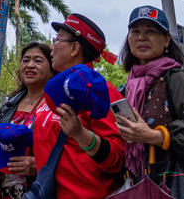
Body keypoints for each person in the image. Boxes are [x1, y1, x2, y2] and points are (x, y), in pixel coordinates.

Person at [115, 5, 184, 182]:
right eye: (135, 31)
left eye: (150, 31)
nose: (141, 37)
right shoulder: (129, 86)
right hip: (139, 181)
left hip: (175, 182)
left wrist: (156, 137)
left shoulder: (178, 79)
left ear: (166, 40)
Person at [23, 13, 125, 199]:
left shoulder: (103, 92)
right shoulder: (51, 93)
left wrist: (82, 135)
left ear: (74, 48)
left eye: (57, 39)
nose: (51, 46)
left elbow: (117, 159)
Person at [0, 41, 55, 199]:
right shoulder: (10, 105)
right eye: (25, 60)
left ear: (51, 71)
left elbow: (65, 153)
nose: (30, 65)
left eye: (38, 61)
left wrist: (39, 165)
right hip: (0, 191)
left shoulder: (56, 106)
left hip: (35, 191)